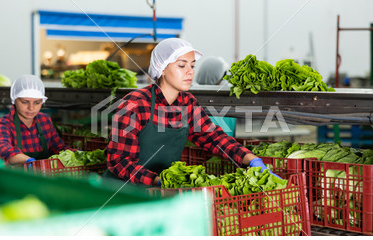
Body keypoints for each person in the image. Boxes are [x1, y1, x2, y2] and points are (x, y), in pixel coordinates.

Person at [105, 38, 279, 186]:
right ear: (162, 69)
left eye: (193, 65)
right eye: (182, 65)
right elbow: (119, 162)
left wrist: (250, 159)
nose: (190, 72)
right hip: (122, 193)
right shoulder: (135, 103)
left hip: (161, 192)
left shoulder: (187, 103)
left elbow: (213, 138)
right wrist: (158, 180)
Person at [0, 75, 68, 164]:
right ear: (14, 99)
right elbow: (3, 151)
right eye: (24, 102)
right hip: (14, 176)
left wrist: (78, 154)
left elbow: (59, 148)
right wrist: (30, 161)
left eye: (37, 102)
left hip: (42, 176)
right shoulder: (3, 124)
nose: (31, 108)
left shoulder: (45, 120)